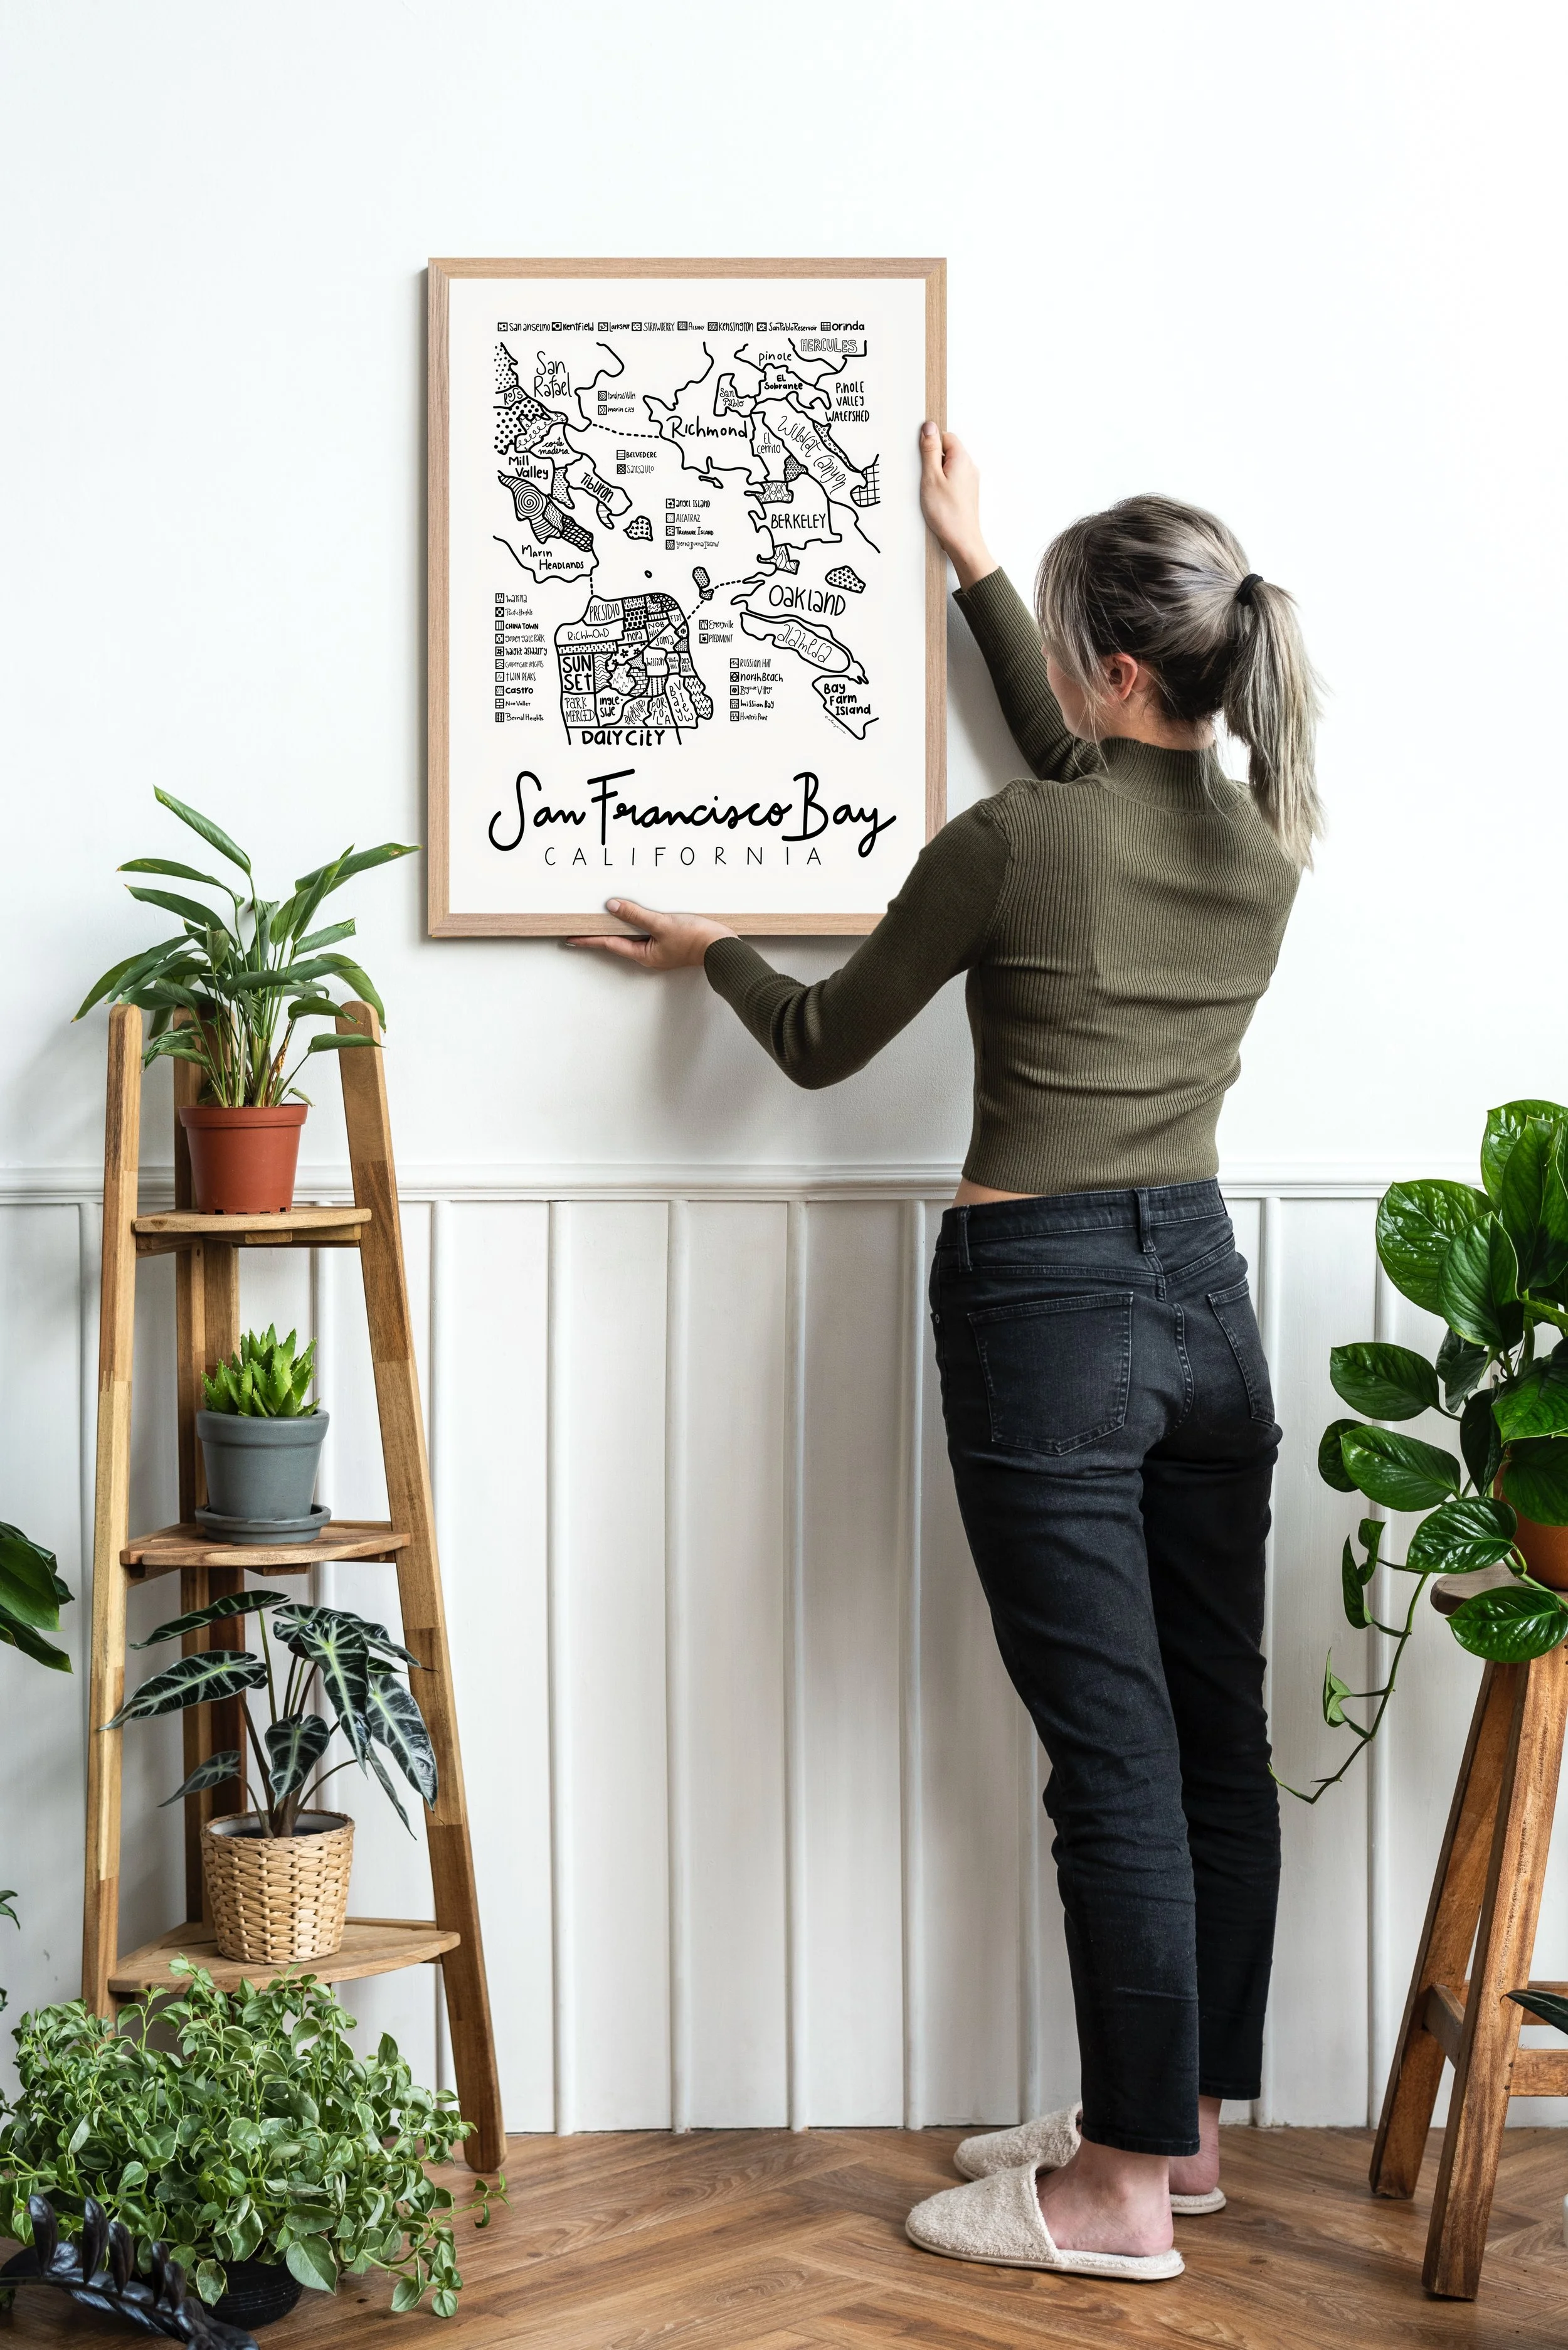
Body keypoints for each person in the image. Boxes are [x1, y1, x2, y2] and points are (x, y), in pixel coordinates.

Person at [573, 425, 1318, 2285]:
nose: (1056, 681)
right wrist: (978, 567)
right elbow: (1094, 776)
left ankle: (1116, 2197)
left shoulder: (1013, 842)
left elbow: (824, 1041)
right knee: (1205, 1737)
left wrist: (721, 942)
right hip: (1206, 1310)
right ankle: (1192, 2129)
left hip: (1047, 1312)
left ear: (1121, 672)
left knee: (1113, 1760)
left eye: (1069, 647)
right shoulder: (1259, 839)